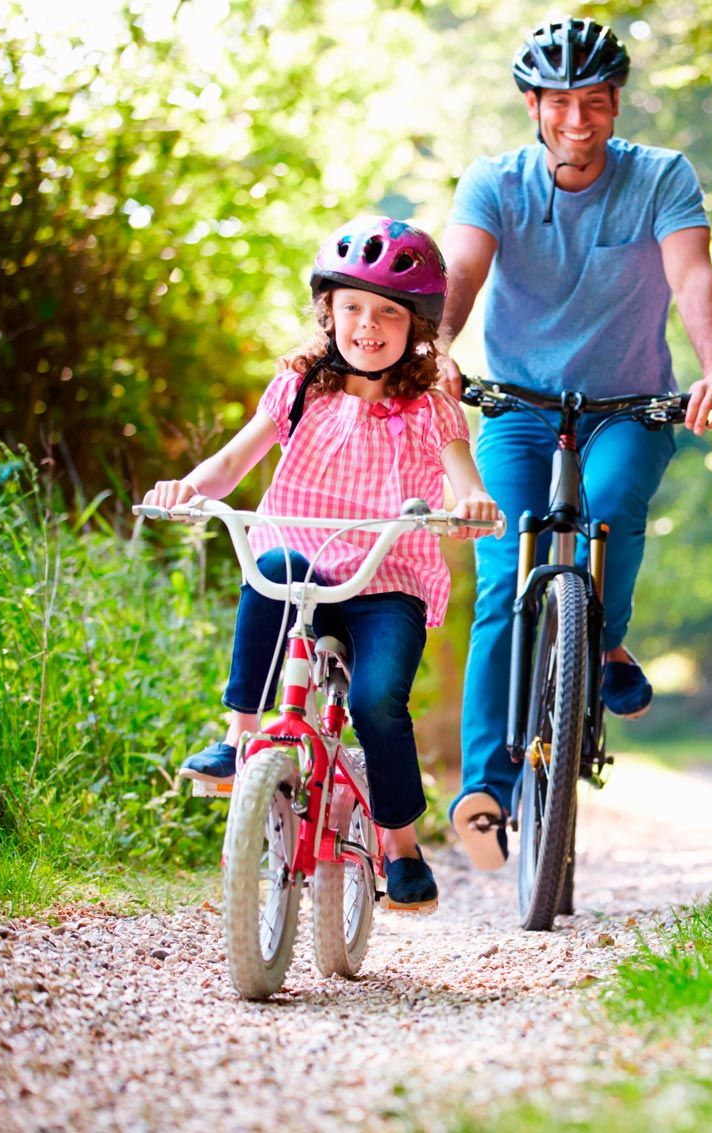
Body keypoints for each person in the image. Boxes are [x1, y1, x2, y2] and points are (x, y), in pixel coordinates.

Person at [436, 16, 712, 870]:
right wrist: (438, 348)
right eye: (562, 104)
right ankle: (484, 791)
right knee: (505, 572)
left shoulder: (660, 178)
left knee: (609, 508)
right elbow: (461, 270)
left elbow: (693, 276)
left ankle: (601, 637)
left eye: (597, 104)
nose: (580, 121)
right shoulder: (494, 183)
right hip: (521, 407)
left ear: (616, 107)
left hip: (631, 403)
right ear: (532, 106)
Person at [143, 216, 501, 912]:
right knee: (270, 561)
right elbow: (231, 462)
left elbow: (466, 479)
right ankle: (241, 736)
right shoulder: (298, 389)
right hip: (302, 568)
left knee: (375, 702)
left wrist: (476, 503)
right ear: (329, 313)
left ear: (417, 327)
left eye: (389, 312)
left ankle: (400, 845)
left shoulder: (431, 409)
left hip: (385, 580)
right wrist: (187, 487)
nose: (368, 324)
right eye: (353, 308)